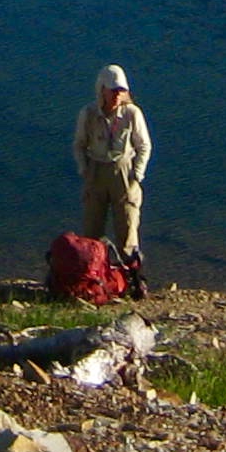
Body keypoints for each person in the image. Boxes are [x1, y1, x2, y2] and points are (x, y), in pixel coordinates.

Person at [73, 64, 153, 293]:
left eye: (121, 90)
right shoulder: (88, 114)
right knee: (91, 231)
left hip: (124, 172)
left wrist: (137, 174)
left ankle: (134, 280)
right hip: (96, 171)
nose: (117, 94)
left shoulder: (131, 114)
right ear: (102, 90)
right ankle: (91, 279)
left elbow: (144, 145)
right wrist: (84, 170)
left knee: (127, 227)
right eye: (112, 90)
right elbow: (79, 145)